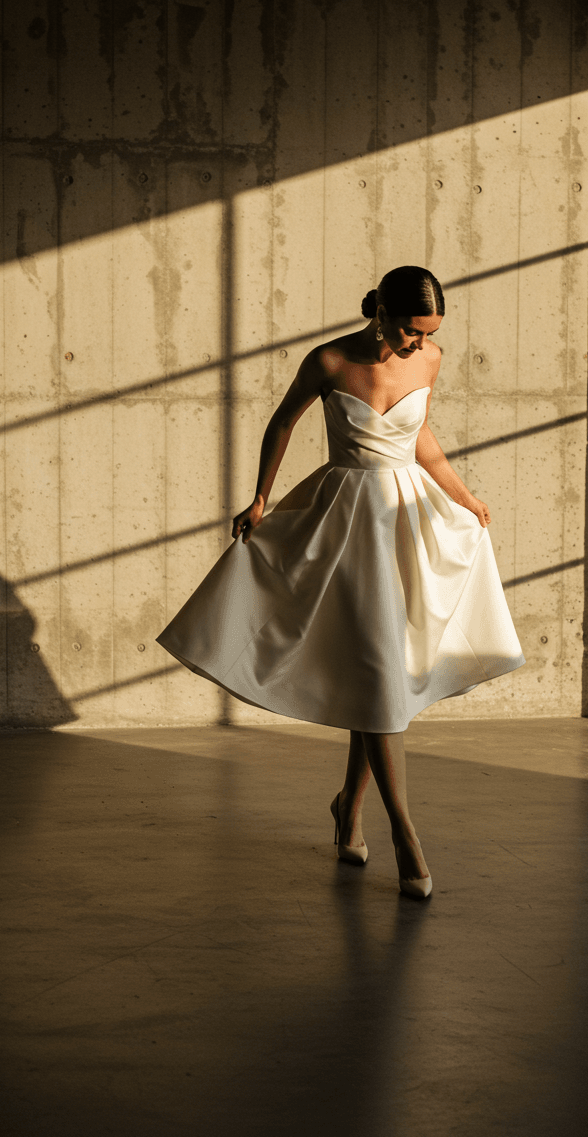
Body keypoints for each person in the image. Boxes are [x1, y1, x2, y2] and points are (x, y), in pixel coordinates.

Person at [157, 266, 525, 899]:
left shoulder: (430, 360)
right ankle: (406, 838)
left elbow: (421, 438)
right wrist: (260, 499)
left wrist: (464, 497)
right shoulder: (329, 360)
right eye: (410, 331)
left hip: (405, 520)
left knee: (375, 675)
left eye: (428, 333)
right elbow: (281, 423)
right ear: (380, 312)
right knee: (378, 673)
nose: (418, 344)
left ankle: (348, 813)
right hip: (344, 522)